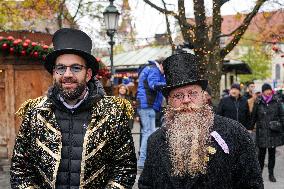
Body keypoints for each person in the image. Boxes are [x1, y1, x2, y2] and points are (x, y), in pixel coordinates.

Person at [10, 28, 137, 188]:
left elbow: (124, 169)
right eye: (61, 68)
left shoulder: (112, 113)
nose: (67, 74)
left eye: (76, 68)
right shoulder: (35, 112)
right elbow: (20, 170)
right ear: (54, 73)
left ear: (88, 74)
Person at [138, 53, 263, 189]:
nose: (186, 100)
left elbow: (252, 184)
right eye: (178, 95)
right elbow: (146, 185)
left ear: (203, 96)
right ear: (169, 101)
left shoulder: (235, 133)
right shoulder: (155, 141)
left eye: (192, 93)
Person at [136, 58, 166, 169]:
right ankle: (142, 162)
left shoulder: (150, 68)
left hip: (146, 105)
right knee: (148, 133)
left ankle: (145, 161)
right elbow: (153, 85)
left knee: (148, 133)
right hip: (147, 105)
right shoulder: (154, 69)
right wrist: (168, 84)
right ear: (162, 65)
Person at [251, 83, 284, 182]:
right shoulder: (258, 101)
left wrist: (281, 127)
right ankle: (259, 174)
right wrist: (250, 127)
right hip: (261, 132)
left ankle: (271, 174)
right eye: (266, 90)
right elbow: (254, 116)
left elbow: (282, 116)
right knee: (261, 155)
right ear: (263, 91)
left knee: (272, 154)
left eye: (269, 90)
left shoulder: (277, 101)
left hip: (273, 132)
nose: (268, 92)